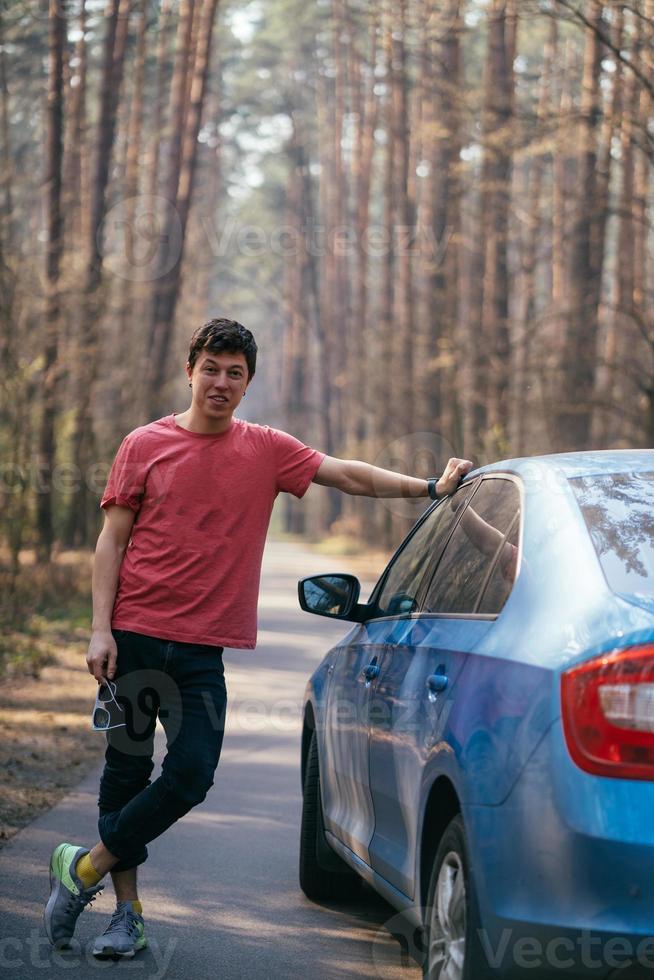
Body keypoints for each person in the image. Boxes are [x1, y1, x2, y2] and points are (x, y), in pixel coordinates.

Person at [43, 318, 472, 956]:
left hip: (199, 649)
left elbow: (345, 474)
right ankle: (125, 915)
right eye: (211, 369)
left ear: (247, 384)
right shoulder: (144, 444)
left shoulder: (265, 448)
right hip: (133, 636)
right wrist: (99, 628)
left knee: (191, 775)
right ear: (190, 371)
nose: (220, 382)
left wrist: (429, 489)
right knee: (125, 776)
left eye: (234, 373)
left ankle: (82, 869)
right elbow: (113, 539)